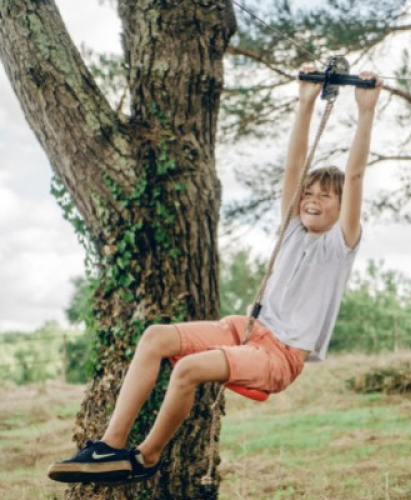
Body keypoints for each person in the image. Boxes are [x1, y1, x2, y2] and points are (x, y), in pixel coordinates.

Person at [47, 63, 383, 485]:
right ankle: (110, 447)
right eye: (309, 194)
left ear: (341, 207)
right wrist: (305, 104)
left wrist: (365, 110)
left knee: (189, 369)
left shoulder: (341, 244)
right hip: (244, 329)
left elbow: (353, 176)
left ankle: (146, 458)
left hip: (278, 356)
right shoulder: (292, 229)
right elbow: (295, 164)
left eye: (325, 197)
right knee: (155, 337)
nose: (313, 200)